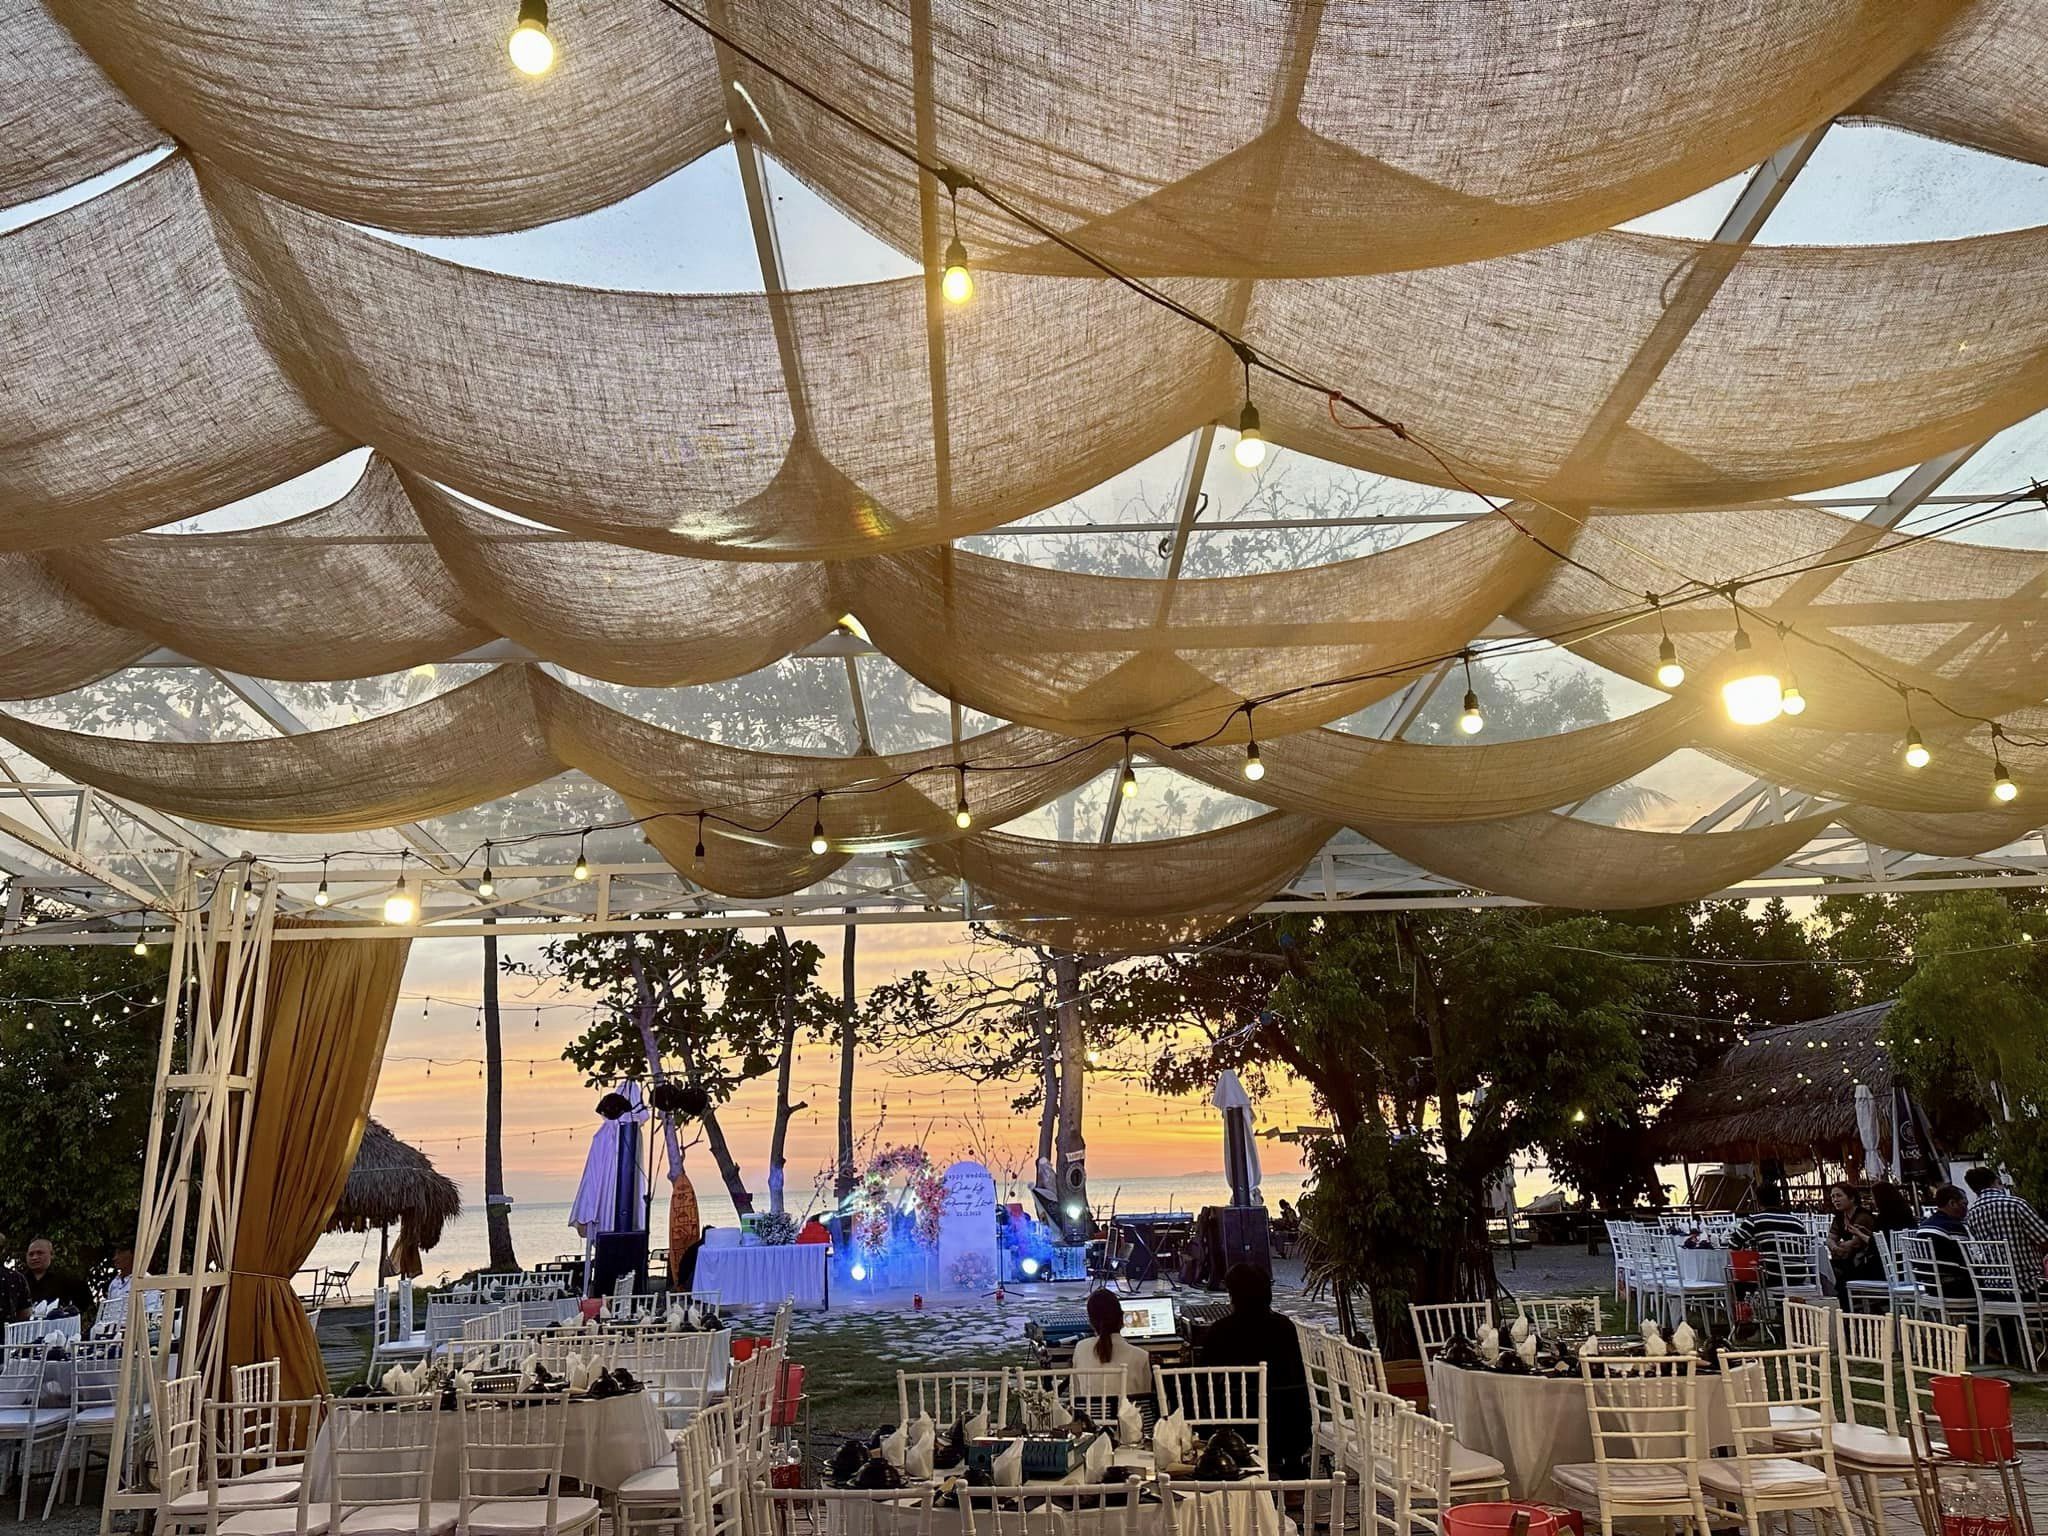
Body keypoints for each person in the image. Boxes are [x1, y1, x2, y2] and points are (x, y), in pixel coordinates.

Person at [1198, 1263, 1311, 1477]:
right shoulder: (1285, 1327)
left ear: (1233, 1295)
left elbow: (1204, 1379)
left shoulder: (1221, 1330)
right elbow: (1296, 1375)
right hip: (1288, 1425)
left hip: (1238, 1425)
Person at [1964, 1167, 2048, 1295]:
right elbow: (2044, 1239)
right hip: (2029, 1286)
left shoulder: (1971, 1214)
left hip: (1994, 1288)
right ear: (1996, 1181)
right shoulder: (2016, 1204)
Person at [1072, 1287, 1153, 1397]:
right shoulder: (1141, 1356)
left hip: (1089, 1409)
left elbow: (1077, 1394)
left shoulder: (1080, 1349)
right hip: (1128, 1409)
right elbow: (1145, 1398)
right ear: (1122, 1319)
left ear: (1091, 1321)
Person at [1917, 1185, 1977, 1300]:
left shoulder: (1923, 1225)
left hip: (1929, 1287)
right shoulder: (1953, 1227)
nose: (1966, 1209)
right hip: (1954, 1287)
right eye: (1964, 1204)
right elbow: (1967, 1262)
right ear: (1952, 1203)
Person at [1823, 1182, 1879, 1305]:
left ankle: (1848, 1305)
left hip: (1865, 1261)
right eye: (1833, 1197)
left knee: (1837, 1272)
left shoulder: (1862, 1216)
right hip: (1847, 1258)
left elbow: (1855, 1243)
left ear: (1852, 1198)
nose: (1835, 1200)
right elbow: (1830, 1238)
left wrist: (1838, 1246)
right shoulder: (1839, 1216)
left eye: (1839, 1196)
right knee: (1826, 1269)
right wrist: (1834, 1247)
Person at [22, 1238, 93, 1318]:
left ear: (51, 1254)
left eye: (40, 1253)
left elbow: (83, 1303)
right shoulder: (19, 1281)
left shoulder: (67, 1279)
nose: (34, 1257)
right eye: (31, 1254)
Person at [101, 1246, 161, 1326]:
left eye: (120, 1253)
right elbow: (108, 1312)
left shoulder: (146, 1280)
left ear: (132, 1256)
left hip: (134, 1329)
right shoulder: (114, 1283)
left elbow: (152, 1312)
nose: (115, 1258)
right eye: (115, 1254)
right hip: (112, 1329)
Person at [0, 1230, 26, 1323]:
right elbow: (25, 1314)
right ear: (3, 1250)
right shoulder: (17, 1277)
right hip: (9, 1330)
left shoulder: (17, 1278)